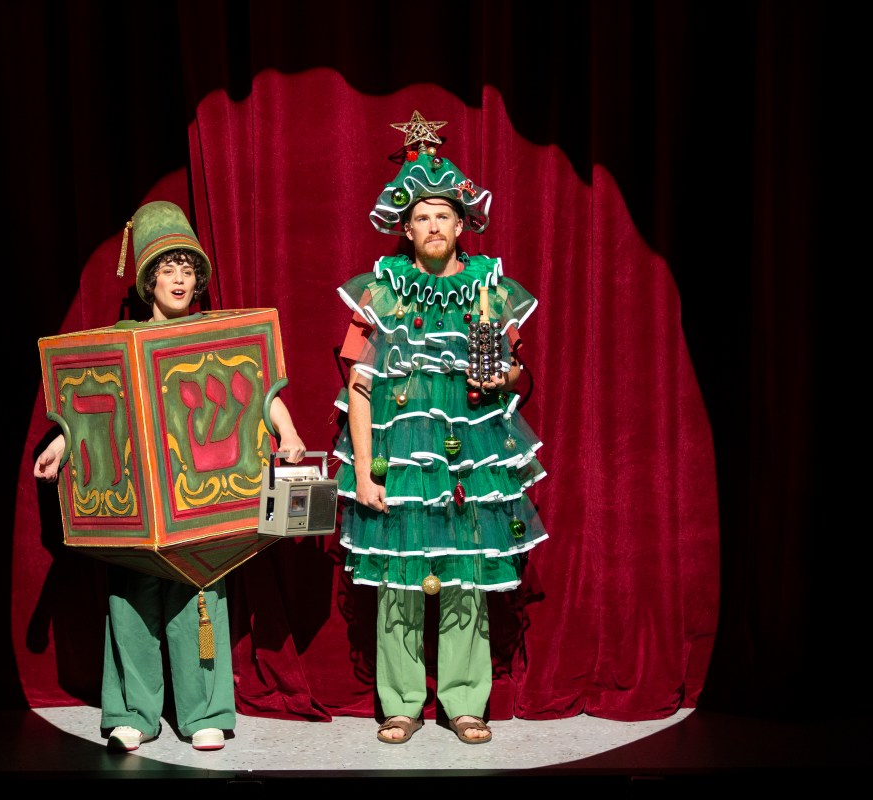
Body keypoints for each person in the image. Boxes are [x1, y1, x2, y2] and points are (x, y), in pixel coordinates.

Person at [34, 200, 306, 752]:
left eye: (187, 270)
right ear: (148, 280)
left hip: (202, 503)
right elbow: (90, 401)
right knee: (131, 606)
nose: (179, 280)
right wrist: (61, 446)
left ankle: (204, 712)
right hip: (137, 509)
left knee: (199, 603)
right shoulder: (122, 338)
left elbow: (261, 388)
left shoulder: (218, 333)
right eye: (168, 270)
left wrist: (290, 433)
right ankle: (135, 711)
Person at [332, 113, 549, 745]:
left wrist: (502, 376)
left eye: (444, 215)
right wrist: (366, 473)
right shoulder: (384, 290)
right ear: (407, 226)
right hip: (398, 455)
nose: (433, 225)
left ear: (461, 225)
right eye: (422, 215)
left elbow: (510, 376)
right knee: (399, 575)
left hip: (468, 459)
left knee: (467, 577)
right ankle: (399, 701)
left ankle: (463, 701)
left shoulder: (486, 292)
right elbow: (359, 385)